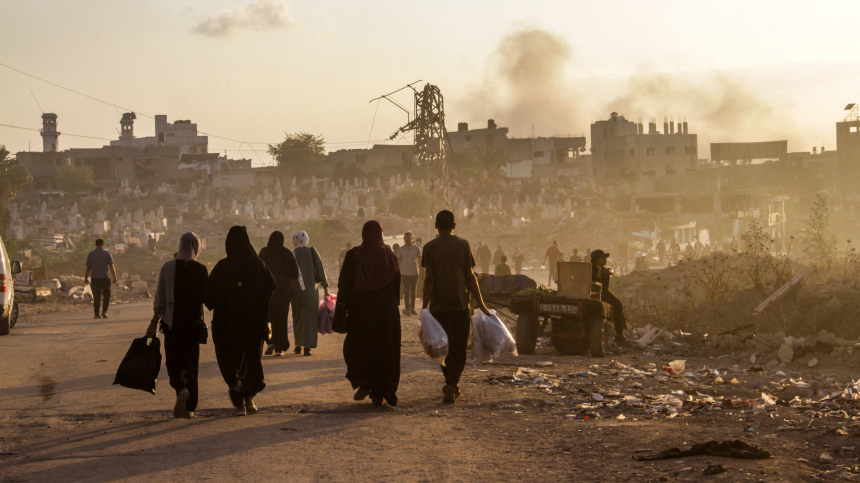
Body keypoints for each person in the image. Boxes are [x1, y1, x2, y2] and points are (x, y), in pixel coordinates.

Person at [204, 226, 275, 416]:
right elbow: (271, 285)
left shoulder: (222, 266)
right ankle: (249, 399)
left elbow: (208, 297)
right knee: (252, 360)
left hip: (227, 326)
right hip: (253, 322)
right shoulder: (258, 264)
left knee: (231, 361)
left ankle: (238, 402)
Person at [422, 210, 490, 404]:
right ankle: (452, 383)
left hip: (438, 307)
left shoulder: (429, 247)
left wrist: (424, 308)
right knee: (459, 347)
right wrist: (482, 305)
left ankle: (450, 382)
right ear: (454, 226)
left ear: (436, 226)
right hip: (460, 304)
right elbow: (470, 277)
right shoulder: (463, 245)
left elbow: (429, 280)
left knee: (442, 346)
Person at [339, 220, 402, 407]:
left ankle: (367, 382)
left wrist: (343, 306)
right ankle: (384, 389)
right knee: (385, 349)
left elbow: (344, 284)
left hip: (361, 310)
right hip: (386, 309)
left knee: (360, 347)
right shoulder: (389, 254)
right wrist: (393, 304)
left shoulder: (353, 255)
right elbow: (396, 282)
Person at [146, 232, 208, 419]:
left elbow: (160, 301)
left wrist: (153, 323)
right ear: (196, 248)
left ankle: (180, 389)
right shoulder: (201, 269)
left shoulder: (167, 268)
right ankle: (189, 408)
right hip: (192, 325)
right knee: (191, 366)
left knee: (173, 362)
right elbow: (208, 299)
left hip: (172, 324)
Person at [259, 231, 300, 356]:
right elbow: (295, 273)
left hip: (267, 291)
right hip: (283, 291)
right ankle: (279, 347)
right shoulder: (287, 253)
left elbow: (258, 270)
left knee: (269, 317)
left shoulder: (264, 252)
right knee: (281, 319)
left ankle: (270, 341)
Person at [291, 230, 328, 356]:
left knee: (297, 317)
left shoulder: (292, 254)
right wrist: (325, 286)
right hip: (311, 290)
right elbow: (320, 268)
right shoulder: (312, 251)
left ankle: (297, 345)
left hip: (296, 291)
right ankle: (307, 346)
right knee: (310, 317)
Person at [590, 249, 628, 347]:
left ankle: (621, 333)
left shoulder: (593, 267)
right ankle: (619, 335)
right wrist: (608, 271)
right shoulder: (597, 268)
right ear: (597, 259)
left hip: (595, 292)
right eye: (603, 258)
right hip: (597, 292)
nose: (605, 260)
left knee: (617, 305)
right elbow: (605, 282)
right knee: (618, 305)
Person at [84, 238, 118, 319]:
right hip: (105, 278)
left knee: (96, 296)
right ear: (103, 244)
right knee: (106, 296)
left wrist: (85, 278)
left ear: (95, 244)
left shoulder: (91, 254)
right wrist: (115, 277)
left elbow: (88, 268)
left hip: (95, 278)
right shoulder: (107, 253)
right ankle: (104, 311)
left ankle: (96, 314)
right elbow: (111, 266)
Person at [397, 231, 421, 316]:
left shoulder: (416, 248)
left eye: (409, 237)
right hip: (404, 273)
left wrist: (422, 271)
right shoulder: (401, 249)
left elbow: (420, 259)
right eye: (406, 238)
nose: (407, 239)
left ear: (411, 238)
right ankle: (407, 308)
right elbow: (398, 261)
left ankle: (412, 309)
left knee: (413, 291)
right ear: (404, 239)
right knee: (406, 292)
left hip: (414, 272)